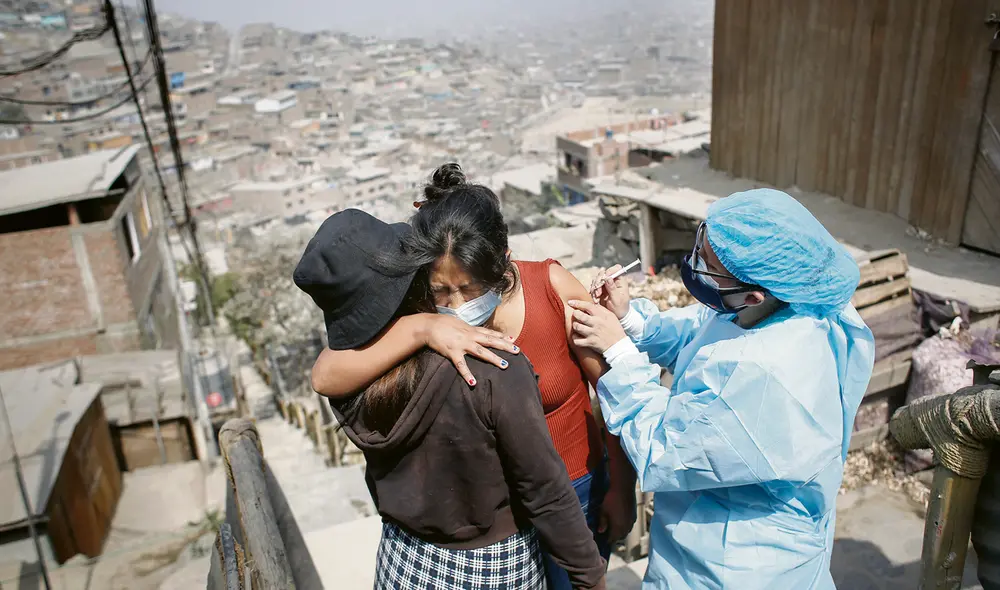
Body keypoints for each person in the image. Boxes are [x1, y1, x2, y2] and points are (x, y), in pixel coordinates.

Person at [310, 164, 636, 589]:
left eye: (470, 288)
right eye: (441, 290)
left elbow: (611, 391)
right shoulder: (419, 316)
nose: (456, 303)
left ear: (500, 264)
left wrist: (621, 488)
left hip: (575, 489)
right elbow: (327, 372)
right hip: (503, 520)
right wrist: (425, 327)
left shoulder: (551, 288)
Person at [568, 188, 876, 590]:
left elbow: (664, 451)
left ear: (753, 293)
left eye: (707, 265)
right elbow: (706, 331)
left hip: (735, 563)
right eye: (700, 247)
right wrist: (633, 323)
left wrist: (620, 355)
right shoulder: (791, 301)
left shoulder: (762, 374)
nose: (694, 264)